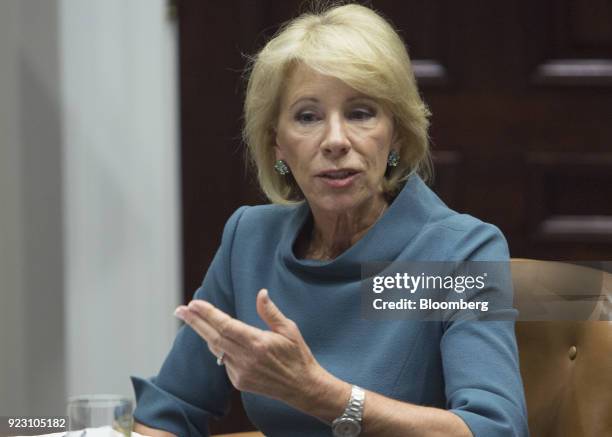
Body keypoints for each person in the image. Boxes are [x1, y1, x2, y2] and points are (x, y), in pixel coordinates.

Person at [131, 3, 528, 436]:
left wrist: (320, 393)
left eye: (360, 113)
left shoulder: (458, 252)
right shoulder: (250, 240)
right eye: (307, 116)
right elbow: (169, 410)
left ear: (396, 132)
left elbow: (495, 430)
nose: (335, 140)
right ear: (277, 145)